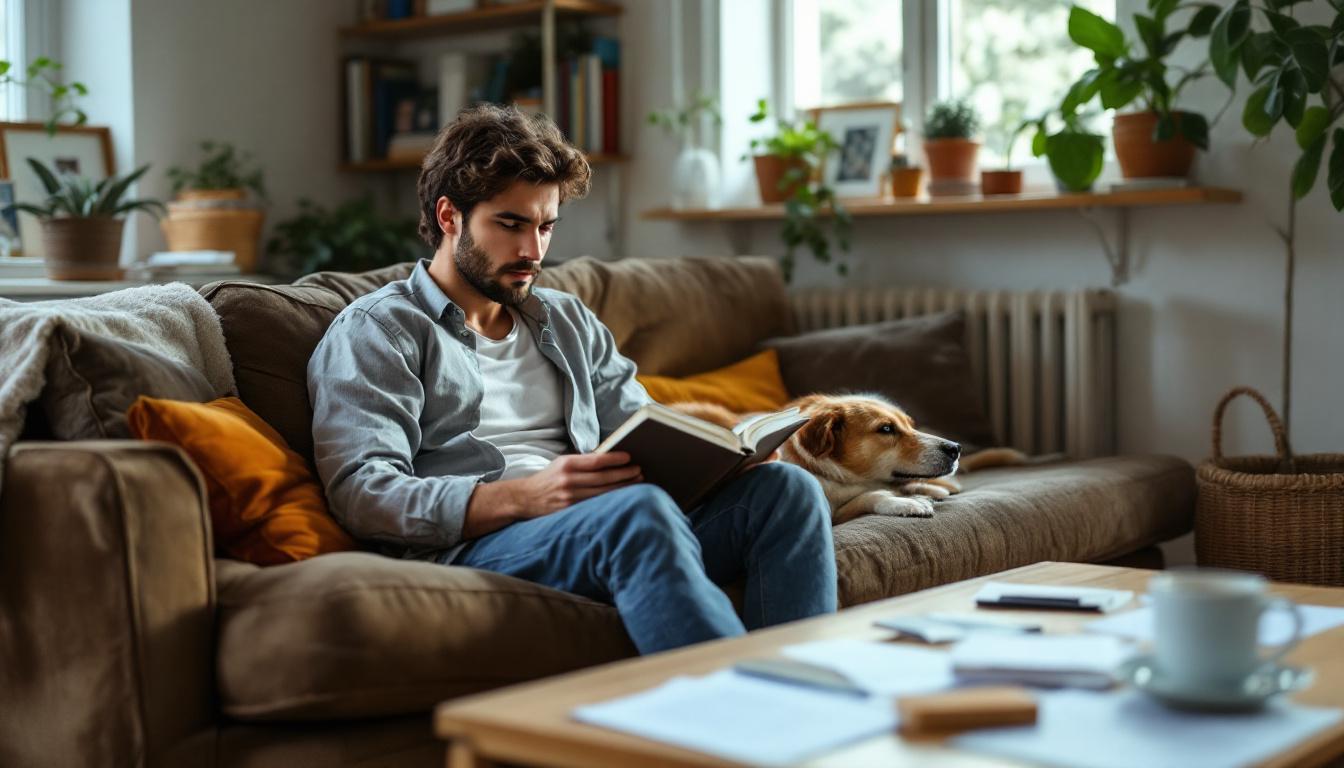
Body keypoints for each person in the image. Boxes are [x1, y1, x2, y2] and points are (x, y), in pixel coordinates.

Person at [307, 104, 836, 654]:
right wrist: (521, 497)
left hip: (602, 521)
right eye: (510, 225)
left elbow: (639, 426)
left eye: (545, 227)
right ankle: (741, 720)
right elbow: (364, 492)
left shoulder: (566, 319)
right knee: (637, 513)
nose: (532, 252)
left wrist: (720, 462)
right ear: (449, 217)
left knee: (786, 490)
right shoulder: (380, 330)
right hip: (481, 544)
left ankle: (803, 688)